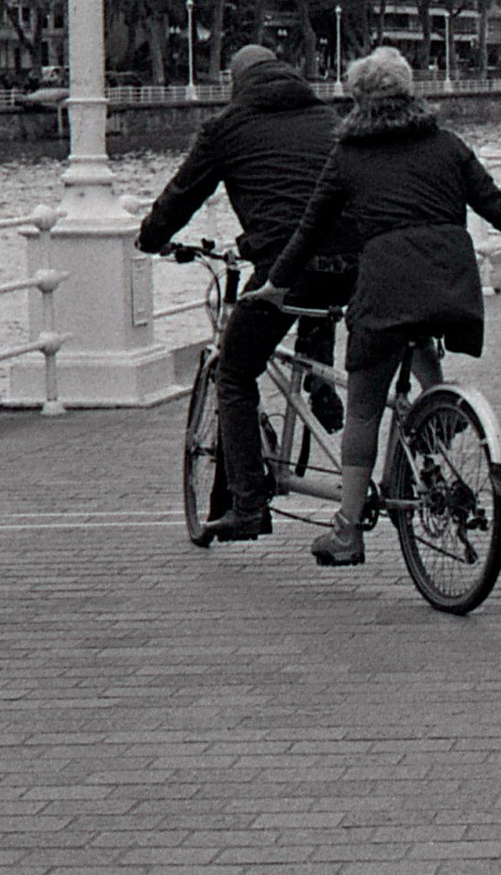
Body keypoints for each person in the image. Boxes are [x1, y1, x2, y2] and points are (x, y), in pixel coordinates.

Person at [252, 48, 501, 566]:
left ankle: (348, 531)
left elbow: (311, 228)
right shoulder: (446, 145)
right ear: (412, 92)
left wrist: (277, 285)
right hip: (452, 286)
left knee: (366, 405)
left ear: (357, 101)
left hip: (387, 290)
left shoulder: (348, 155)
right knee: (419, 347)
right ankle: (437, 418)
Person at [135, 44, 360, 543]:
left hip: (286, 265)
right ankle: (319, 380)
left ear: (237, 82)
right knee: (318, 295)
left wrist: (151, 237)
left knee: (235, 371)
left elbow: (182, 194)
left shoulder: (227, 127)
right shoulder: (326, 116)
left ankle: (248, 504)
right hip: (355, 262)